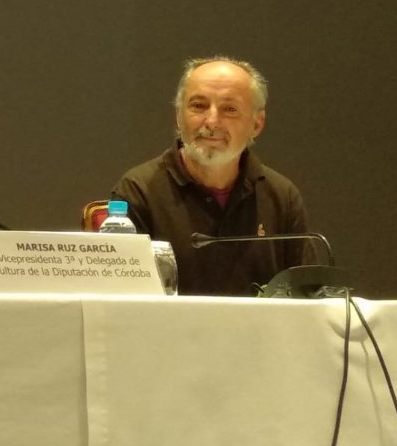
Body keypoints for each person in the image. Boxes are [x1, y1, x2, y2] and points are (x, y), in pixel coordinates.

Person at [109, 57, 314, 296]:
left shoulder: (281, 197)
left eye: (229, 109)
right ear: (178, 116)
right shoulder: (139, 191)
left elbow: (308, 298)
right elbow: (119, 302)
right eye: (198, 106)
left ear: (257, 124)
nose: (212, 121)